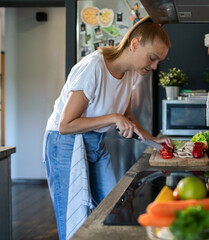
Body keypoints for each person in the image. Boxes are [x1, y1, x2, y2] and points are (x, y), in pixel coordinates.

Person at [43, 16, 172, 240]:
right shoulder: (94, 67)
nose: (154, 66)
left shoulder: (131, 73)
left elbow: (126, 115)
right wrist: (112, 118)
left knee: (114, 205)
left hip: (94, 141)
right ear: (134, 44)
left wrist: (152, 139)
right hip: (64, 143)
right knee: (74, 219)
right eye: (152, 58)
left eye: (158, 61)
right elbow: (66, 125)